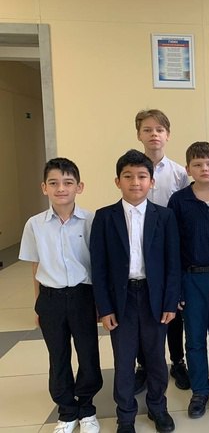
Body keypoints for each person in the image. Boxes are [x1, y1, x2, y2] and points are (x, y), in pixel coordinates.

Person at [90, 150, 180, 433]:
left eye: (142, 176)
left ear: (152, 182)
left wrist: (170, 302)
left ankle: (158, 407)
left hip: (154, 297)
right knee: (124, 360)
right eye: (128, 176)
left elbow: (173, 263)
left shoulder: (164, 216)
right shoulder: (104, 217)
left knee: (156, 358)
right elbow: (98, 267)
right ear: (117, 181)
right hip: (122, 299)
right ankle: (125, 415)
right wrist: (105, 308)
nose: (135, 182)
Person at [19, 158, 103, 433]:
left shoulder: (91, 220)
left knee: (88, 353)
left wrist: (99, 303)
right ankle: (67, 411)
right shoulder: (35, 224)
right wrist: (38, 305)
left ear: (79, 186)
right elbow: (35, 265)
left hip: (83, 296)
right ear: (44, 187)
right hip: (50, 298)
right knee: (58, 355)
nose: (61, 189)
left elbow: (98, 265)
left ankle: (87, 408)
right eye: (53, 183)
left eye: (68, 182)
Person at [168, 142, 209, 419]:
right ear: (188, 169)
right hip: (191, 278)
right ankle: (199, 390)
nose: (204, 169)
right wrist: (176, 288)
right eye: (197, 164)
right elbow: (172, 247)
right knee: (194, 339)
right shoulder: (178, 201)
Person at [134, 109, 190, 393]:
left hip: (170, 248)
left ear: (168, 135)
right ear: (139, 135)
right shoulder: (133, 169)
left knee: (173, 307)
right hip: (139, 249)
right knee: (142, 309)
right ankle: (144, 365)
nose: (153, 134)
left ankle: (177, 361)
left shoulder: (179, 173)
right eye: (147, 129)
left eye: (159, 129)